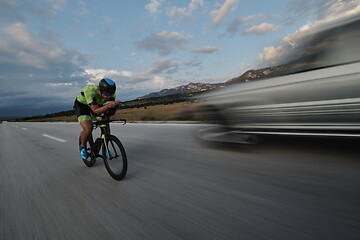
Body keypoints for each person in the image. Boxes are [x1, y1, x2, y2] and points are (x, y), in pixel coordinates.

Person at [73, 78, 121, 160]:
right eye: (106, 93)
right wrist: (108, 106)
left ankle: (105, 147)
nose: (108, 96)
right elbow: (95, 111)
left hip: (97, 105)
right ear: (99, 90)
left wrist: (110, 111)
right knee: (88, 128)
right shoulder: (90, 90)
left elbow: (108, 111)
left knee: (105, 123)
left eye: (111, 93)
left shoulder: (111, 94)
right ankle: (83, 147)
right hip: (82, 106)